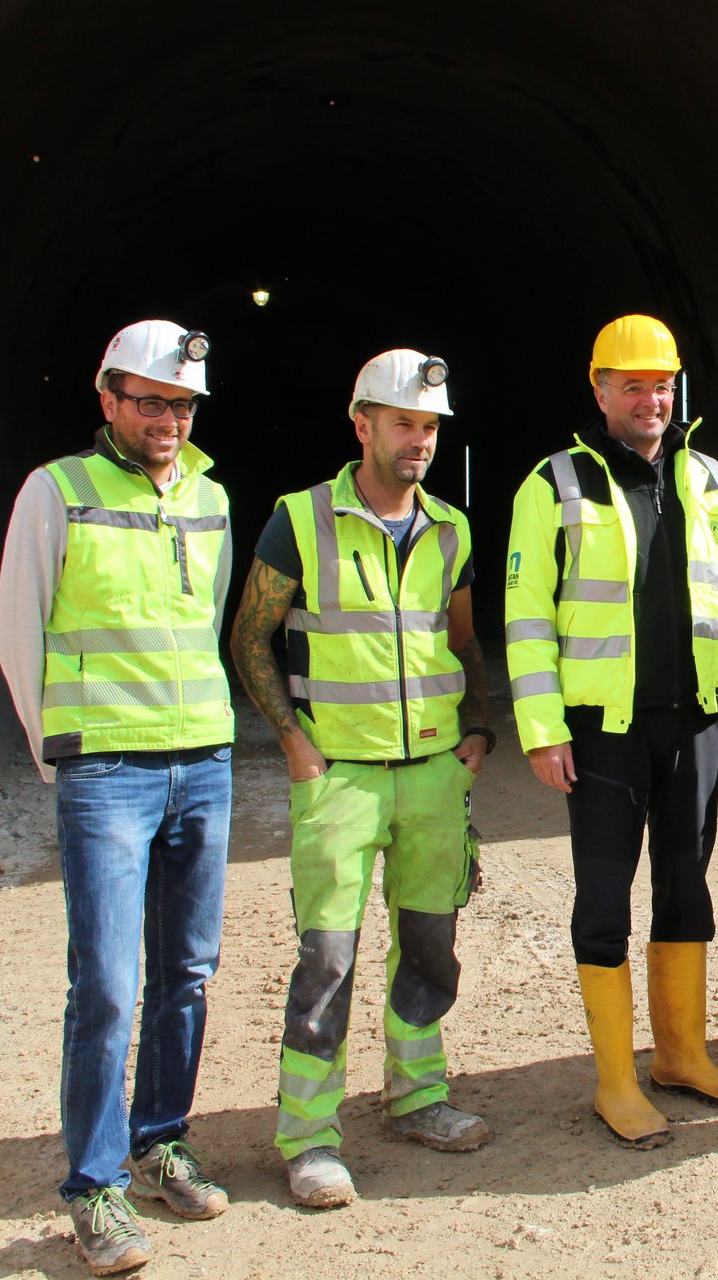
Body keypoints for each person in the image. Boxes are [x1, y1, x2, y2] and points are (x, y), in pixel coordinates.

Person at [230, 349, 494, 1207]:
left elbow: (461, 637)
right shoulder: (298, 521)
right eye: (403, 424)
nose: (418, 440)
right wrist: (295, 746)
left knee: (429, 946)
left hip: (430, 775)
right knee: (328, 959)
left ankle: (417, 1096)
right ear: (363, 425)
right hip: (338, 775)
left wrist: (479, 728)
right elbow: (249, 636)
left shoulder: (451, 529)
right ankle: (309, 1136)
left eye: (430, 427)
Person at [0, 320, 233, 1274]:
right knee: (104, 984)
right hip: (107, 773)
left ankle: (160, 1142)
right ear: (108, 400)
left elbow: (206, 622)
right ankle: (94, 1190)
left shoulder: (211, 497)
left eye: (181, 404)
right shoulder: (57, 492)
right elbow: (20, 631)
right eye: (149, 401)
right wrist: (64, 757)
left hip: (201, 765)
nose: (167, 419)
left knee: (187, 972)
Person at [504, 314, 718, 1148]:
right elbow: (525, 617)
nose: (651, 400)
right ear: (600, 390)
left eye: (662, 384)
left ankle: (681, 1055)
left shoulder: (711, 478)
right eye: (633, 385)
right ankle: (616, 1080)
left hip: (696, 724)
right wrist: (544, 730)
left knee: (687, 886)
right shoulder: (555, 484)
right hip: (602, 730)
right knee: (605, 895)